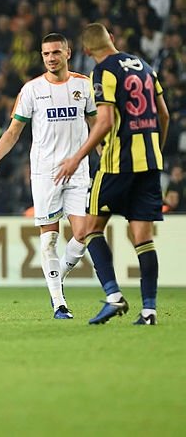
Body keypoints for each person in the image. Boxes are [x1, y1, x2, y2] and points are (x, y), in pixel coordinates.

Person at [0, 33, 95, 319]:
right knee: (49, 240)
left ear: (68, 52)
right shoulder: (31, 90)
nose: (51, 58)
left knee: (82, 233)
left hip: (78, 169)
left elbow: (95, 123)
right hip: (45, 173)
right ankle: (59, 303)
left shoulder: (84, 85)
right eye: (46, 54)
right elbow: (14, 131)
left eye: (55, 52)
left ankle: (56, 276)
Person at [55, 23, 170, 326]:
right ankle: (149, 311)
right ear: (112, 40)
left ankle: (113, 296)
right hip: (150, 163)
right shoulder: (145, 66)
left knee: (89, 229)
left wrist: (76, 157)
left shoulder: (103, 71)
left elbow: (104, 121)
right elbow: (164, 114)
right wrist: (156, 148)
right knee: (143, 239)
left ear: (86, 50)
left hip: (117, 164)